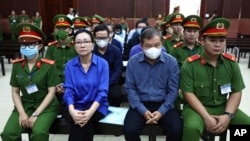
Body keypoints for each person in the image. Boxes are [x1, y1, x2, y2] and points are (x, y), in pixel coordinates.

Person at [180, 18, 250, 141]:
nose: (218, 45)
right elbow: (188, 93)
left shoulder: (231, 63)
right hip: (196, 108)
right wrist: (206, 117)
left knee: (245, 124)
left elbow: (236, 91)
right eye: (212, 40)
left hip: (223, 106)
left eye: (222, 40)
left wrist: (228, 116)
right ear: (203, 41)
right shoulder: (190, 64)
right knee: (192, 127)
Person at [0, 23, 60, 141]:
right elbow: (15, 92)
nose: (26, 47)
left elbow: (51, 93)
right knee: (8, 134)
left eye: (31, 44)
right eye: (23, 44)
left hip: (46, 106)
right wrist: (22, 113)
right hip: (25, 104)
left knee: (38, 134)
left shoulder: (48, 66)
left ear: (40, 45)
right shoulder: (17, 65)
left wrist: (35, 115)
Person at [124, 27, 183, 141]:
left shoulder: (171, 62)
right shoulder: (133, 62)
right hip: (140, 104)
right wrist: (143, 110)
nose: (153, 49)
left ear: (162, 44)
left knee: (176, 130)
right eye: (148, 46)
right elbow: (130, 88)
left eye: (157, 45)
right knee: (129, 130)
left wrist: (161, 112)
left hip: (164, 104)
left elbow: (173, 90)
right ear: (141, 45)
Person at [63, 29, 109, 141]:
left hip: (96, 107)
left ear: (93, 45)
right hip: (75, 106)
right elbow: (69, 91)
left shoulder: (102, 64)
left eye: (86, 41)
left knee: (81, 124)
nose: (82, 45)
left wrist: (89, 112)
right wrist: (72, 110)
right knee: (80, 123)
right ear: (75, 46)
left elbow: (102, 92)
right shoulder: (70, 65)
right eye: (78, 42)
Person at [45, 14, 77, 94]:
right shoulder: (51, 47)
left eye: (64, 28)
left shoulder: (76, 46)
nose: (61, 31)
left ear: (70, 30)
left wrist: (67, 85)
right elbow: (48, 68)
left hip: (73, 81)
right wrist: (56, 83)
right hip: (55, 82)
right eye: (58, 28)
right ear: (55, 30)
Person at [92, 24, 123, 107]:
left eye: (104, 38)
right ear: (94, 38)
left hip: (111, 81)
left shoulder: (116, 51)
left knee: (116, 96)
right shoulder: (90, 52)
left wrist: (107, 83)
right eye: (99, 38)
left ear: (109, 37)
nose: (102, 40)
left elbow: (117, 70)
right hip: (94, 82)